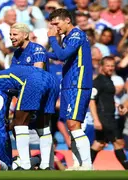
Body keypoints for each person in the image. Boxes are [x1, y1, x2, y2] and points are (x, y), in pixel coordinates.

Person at [47, 9, 93, 170]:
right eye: (52, 25)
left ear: (67, 20)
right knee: (71, 125)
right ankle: (77, 163)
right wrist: (40, 52)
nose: (55, 28)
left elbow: (62, 56)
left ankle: (87, 164)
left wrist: (52, 39)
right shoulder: (67, 37)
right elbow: (59, 55)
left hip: (78, 84)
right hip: (68, 85)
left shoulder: (76, 35)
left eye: (56, 24)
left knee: (74, 124)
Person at [9, 22, 53, 170]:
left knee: (39, 126)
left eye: (14, 34)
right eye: (10, 34)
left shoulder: (37, 49)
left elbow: (38, 72)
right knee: (21, 126)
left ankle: (42, 165)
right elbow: (12, 77)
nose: (11, 37)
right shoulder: (16, 54)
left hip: (40, 90)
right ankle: (29, 162)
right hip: (25, 91)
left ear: (25, 35)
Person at [90, 56, 128, 170]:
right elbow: (91, 101)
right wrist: (96, 119)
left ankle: (85, 165)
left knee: (99, 143)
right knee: (119, 142)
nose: (110, 68)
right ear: (101, 66)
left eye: (112, 65)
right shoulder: (98, 82)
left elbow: (106, 99)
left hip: (109, 115)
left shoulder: (109, 80)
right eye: (108, 65)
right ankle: (126, 167)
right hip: (104, 117)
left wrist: (118, 106)